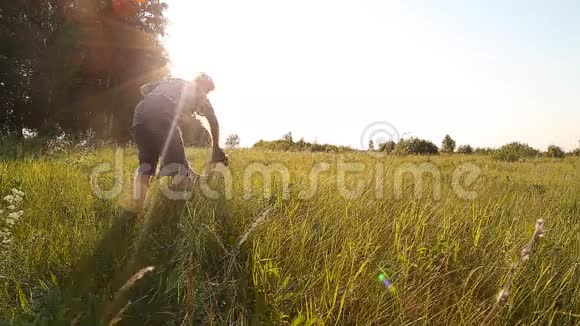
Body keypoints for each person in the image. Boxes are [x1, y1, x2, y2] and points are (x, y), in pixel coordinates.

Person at [131, 73, 228, 209]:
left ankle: (137, 210)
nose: (207, 93)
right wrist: (216, 148)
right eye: (208, 90)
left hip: (140, 115)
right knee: (180, 170)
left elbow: (144, 89)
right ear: (204, 85)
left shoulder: (174, 81)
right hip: (162, 115)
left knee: (146, 167)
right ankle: (180, 212)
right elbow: (213, 121)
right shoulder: (198, 91)